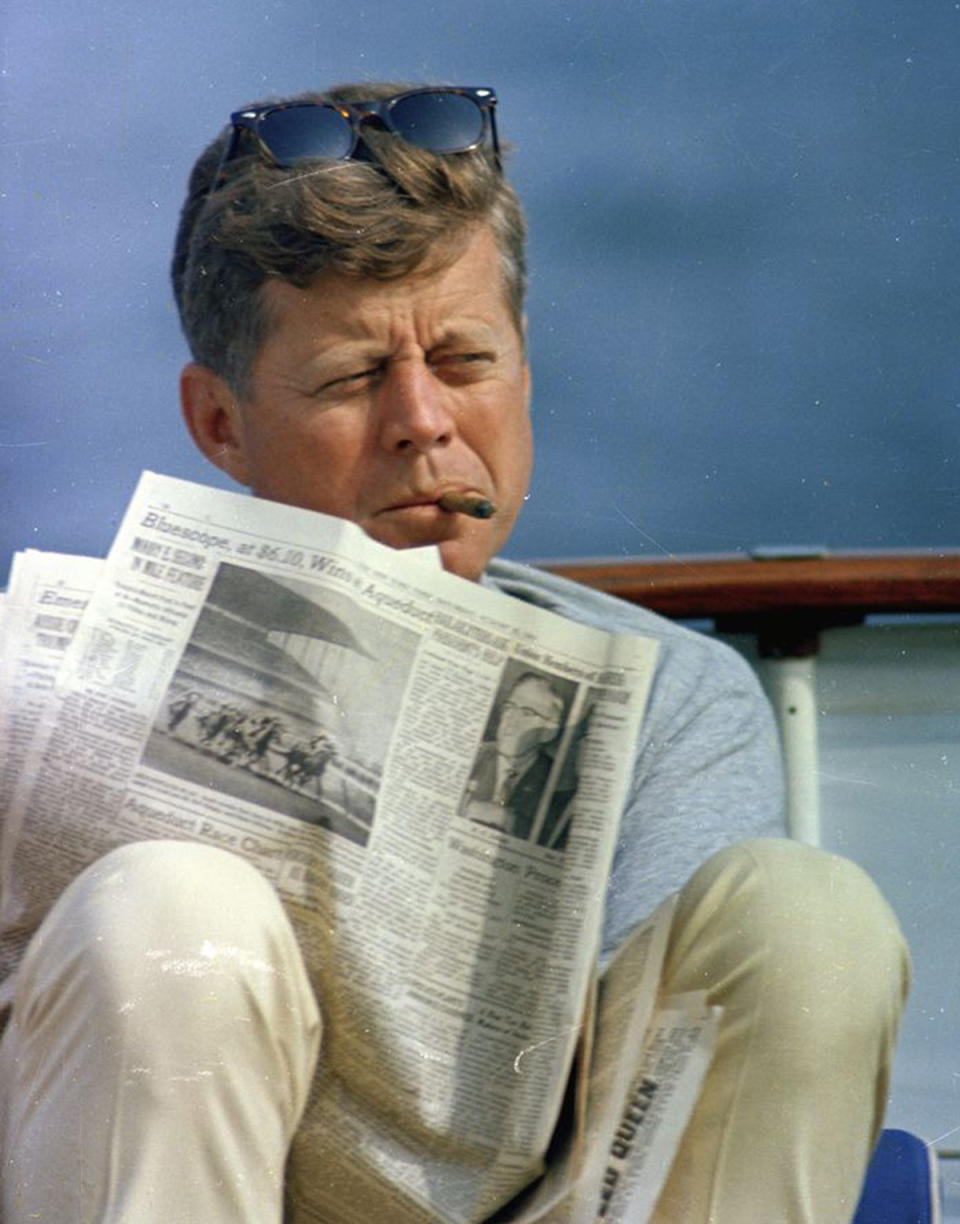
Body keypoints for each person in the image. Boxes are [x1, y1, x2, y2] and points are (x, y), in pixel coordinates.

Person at [0, 82, 909, 1223]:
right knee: (165, 909)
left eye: (467, 363)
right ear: (219, 424)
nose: (423, 422)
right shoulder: (47, 685)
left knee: (806, 916)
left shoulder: (672, 698)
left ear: (525, 374)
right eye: (350, 378)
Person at [465, 670, 578, 849]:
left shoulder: (558, 784)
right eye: (510, 707)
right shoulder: (472, 756)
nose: (511, 719)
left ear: (549, 731)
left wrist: (508, 821)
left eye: (527, 712)